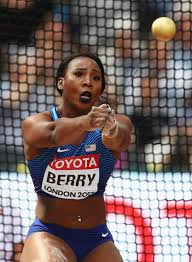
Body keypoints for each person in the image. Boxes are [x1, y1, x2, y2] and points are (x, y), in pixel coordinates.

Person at [20, 52, 133, 262]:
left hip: (96, 238)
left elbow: (120, 139)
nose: (88, 82)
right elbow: (53, 134)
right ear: (61, 83)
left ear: (100, 89)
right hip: (50, 234)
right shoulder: (35, 123)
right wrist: (86, 122)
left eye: (96, 78)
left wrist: (110, 130)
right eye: (79, 74)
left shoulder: (116, 122)